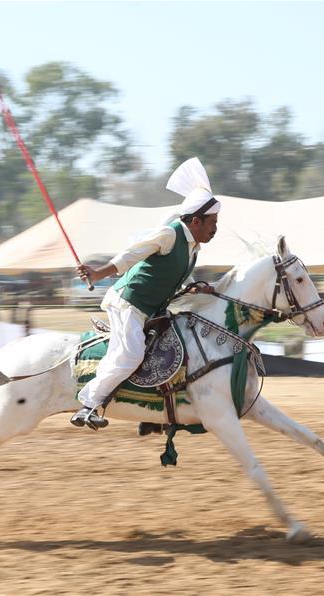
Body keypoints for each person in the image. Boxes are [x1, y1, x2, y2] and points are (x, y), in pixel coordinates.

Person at [70, 157, 220, 429]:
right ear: (196, 221)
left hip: (150, 308)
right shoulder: (169, 235)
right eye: (212, 222)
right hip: (129, 302)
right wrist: (97, 273)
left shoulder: (193, 248)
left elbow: (174, 277)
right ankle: (88, 405)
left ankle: (152, 415)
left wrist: (196, 286)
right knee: (130, 355)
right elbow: (132, 254)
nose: (215, 229)